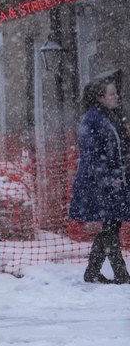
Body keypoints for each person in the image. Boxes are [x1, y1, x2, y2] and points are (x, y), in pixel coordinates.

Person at [69, 79, 130, 284]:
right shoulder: (92, 120)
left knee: (112, 225)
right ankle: (121, 274)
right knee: (111, 226)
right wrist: (108, 179)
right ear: (100, 98)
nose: (116, 97)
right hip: (100, 185)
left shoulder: (108, 116)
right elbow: (92, 155)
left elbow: (117, 148)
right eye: (111, 94)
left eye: (115, 94)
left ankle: (93, 271)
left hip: (113, 182)